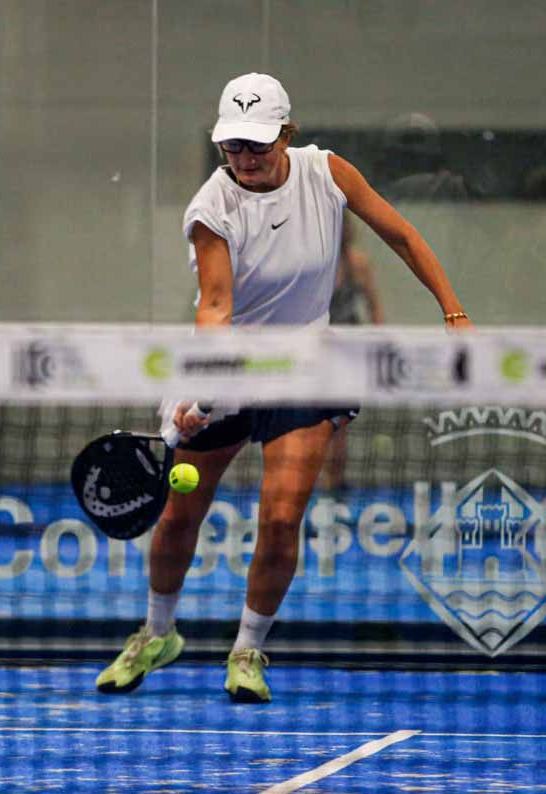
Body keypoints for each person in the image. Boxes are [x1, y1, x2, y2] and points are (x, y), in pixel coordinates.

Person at [95, 72, 472, 703]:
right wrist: (202, 394)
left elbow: (402, 235)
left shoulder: (327, 173)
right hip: (227, 366)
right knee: (178, 516)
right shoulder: (212, 208)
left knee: (278, 518)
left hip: (307, 369)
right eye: (233, 146)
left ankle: (246, 649)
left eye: (258, 144)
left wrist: (453, 312)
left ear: (287, 135)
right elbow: (215, 309)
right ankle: (157, 633)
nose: (245, 158)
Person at [320, 213, 385, 494]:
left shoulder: (358, 264)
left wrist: (382, 346)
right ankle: (313, 483)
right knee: (311, 424)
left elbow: (375, 308)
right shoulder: (311, 265)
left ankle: (335, 483)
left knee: (338, 425)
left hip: (347, 352)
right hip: (313, 351)